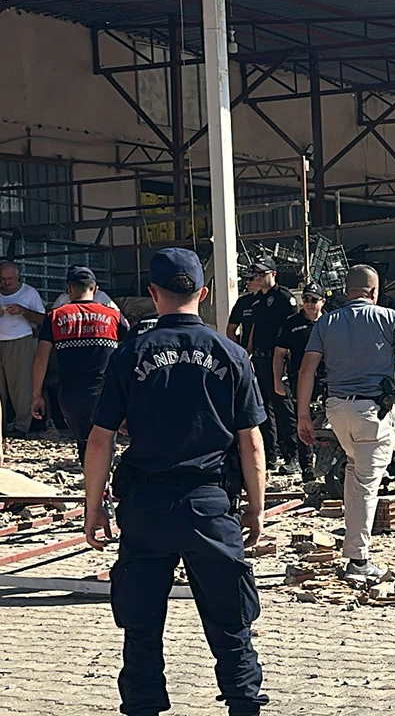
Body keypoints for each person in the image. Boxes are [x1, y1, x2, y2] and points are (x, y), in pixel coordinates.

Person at [82, 247, 271, 716]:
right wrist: (255, 508)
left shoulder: (130, 354)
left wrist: (94, 507)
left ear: (153, 293)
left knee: (141, 623)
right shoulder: (232, 355)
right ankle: (244, 704)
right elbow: (251, 444)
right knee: (231, 621)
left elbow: (101, 440)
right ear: (203, 294)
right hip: (209, 504)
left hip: (147, 505)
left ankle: (143, 705)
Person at [296, 265, 395, 579]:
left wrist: (302, 416)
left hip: (337, 410)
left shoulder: (326, 322)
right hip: (371, 411)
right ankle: (358, 560)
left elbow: (306, 370)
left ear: (346, 292)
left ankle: (354, 550)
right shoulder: (388, 318)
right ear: (374, 291)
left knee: (355, 471)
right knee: (367, 485)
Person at [30, 266, 127, 464]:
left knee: (83, 441)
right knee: (105, 439)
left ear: (69, 289)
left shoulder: (55, 317)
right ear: (95, 289)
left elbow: (41, 357)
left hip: (70, 392)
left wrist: (37, 394)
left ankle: (90, 477)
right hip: (105, 389)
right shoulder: (114, 316)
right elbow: (129, 351)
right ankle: (103, 478)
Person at [241, 257, 299, 475]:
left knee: (284, 407)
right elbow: (254, 328)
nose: (257, 278)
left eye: (261, 274)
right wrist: (247, 352)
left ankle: (293, 455)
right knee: (264, 408)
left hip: (279, 359)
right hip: (260, 358)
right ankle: (271, 455)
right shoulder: (257, 300)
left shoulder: (284, 297)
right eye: (255, 274)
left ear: (273, 274)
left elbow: (293, 327)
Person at [273, 282, 326, 481]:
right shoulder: (292, 323)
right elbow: (279, 354)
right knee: (303, 419)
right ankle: (307, 467)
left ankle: (328, 462)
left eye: (313, 300)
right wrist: (277, 380)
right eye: (306, 299)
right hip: (300, 379)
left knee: (328, 420)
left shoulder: (330, 322)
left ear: (322, 301)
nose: (309, 304)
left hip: (327, 379)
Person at [0, 262, 45, 437]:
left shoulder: (29, 293)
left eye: (10, 279)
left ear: (18, 276)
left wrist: (23, 311)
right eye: (3, 279)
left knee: (21, 385)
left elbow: (42, 319)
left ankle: (21, 425)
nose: (6, 283)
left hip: (20, 340)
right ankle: (2, 426)